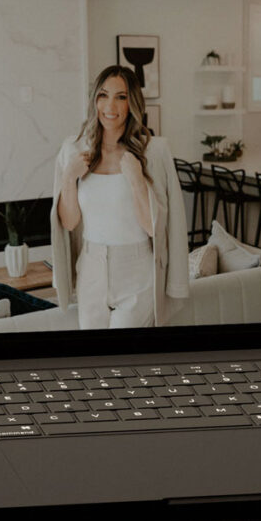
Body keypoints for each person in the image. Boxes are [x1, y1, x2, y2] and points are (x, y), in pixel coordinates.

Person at [51, 64, 188, 328]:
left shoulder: (154, 151)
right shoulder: (73, 149)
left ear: (132, 103)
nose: (110, 106)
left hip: (137, 272)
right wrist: (69, 178)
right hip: (91, 268)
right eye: (103, 95)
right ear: (95, 100)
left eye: (121, 97)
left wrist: (137, 179)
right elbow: (68, 223)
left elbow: (154, 228)